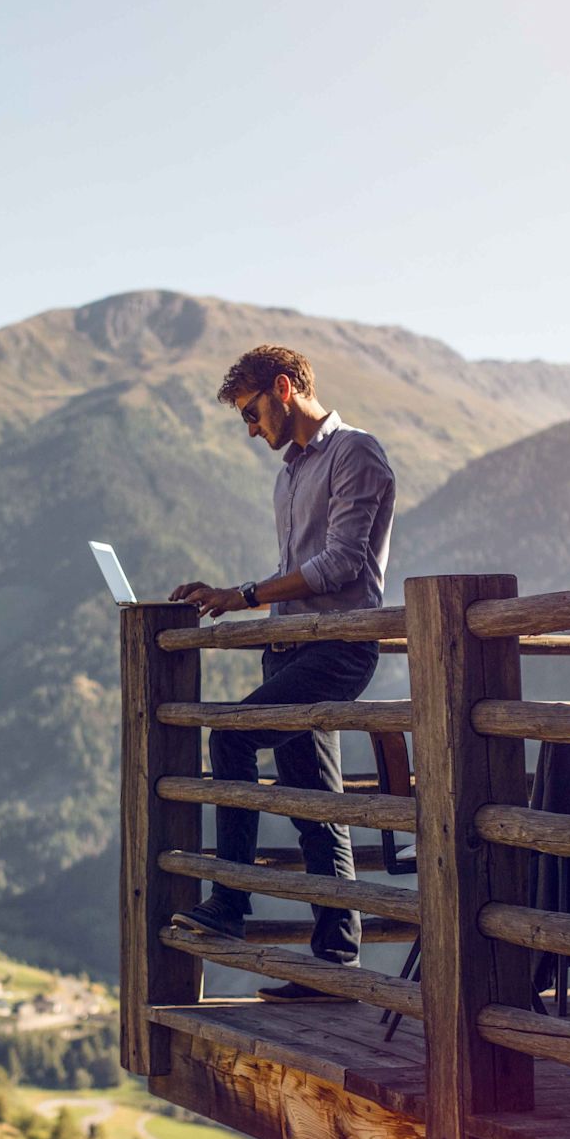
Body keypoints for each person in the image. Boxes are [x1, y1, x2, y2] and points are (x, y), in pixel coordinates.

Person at [169, 344, 396, 1000]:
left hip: (339, 649)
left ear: (283, 388)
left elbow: (343, 565)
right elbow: (302, 573)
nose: (249, 428)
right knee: (314, 810)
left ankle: (230, 904)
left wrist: (242, 597)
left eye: (251, 412)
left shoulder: (357, 453)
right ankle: (335, 965)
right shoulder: (289, 475)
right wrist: (251, 609)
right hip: (292, 646)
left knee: (233, 738)